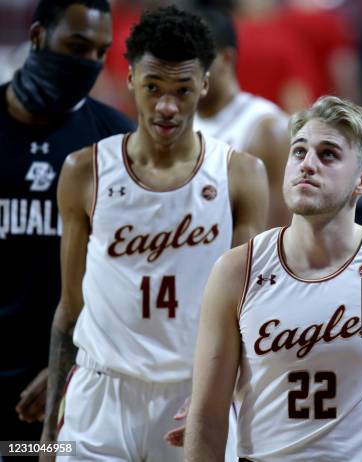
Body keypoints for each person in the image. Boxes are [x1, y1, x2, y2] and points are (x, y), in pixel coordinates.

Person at [40, 6, 268, 461]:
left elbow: (248, 313)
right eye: (153, 88)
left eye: (182, 90)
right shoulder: (84, 171)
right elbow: (70, 307)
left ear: (205, 83)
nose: (167, 105)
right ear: (129, 79)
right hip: (99, 392)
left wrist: (228, 396)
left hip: (192, 394)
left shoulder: (241, 175)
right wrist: (48, 429)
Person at [184, 96, 362, 461]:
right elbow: (206, 419)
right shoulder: (237, 271)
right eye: (299, 152)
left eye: (328, 155)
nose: (307, 165)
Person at [0, 0, 134, 454]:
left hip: (64, 383)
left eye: (100, 53)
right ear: (38, 37)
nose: (89, 64)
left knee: (26, 454)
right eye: (77, 47)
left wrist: (69, 365)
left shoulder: (113, 139)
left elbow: (128, 276)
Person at [193, 7, 290, 227]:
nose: (186, 70)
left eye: (197, 59)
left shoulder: (267, 129)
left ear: (226, 58)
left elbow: (277, 236)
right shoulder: (175, 123)